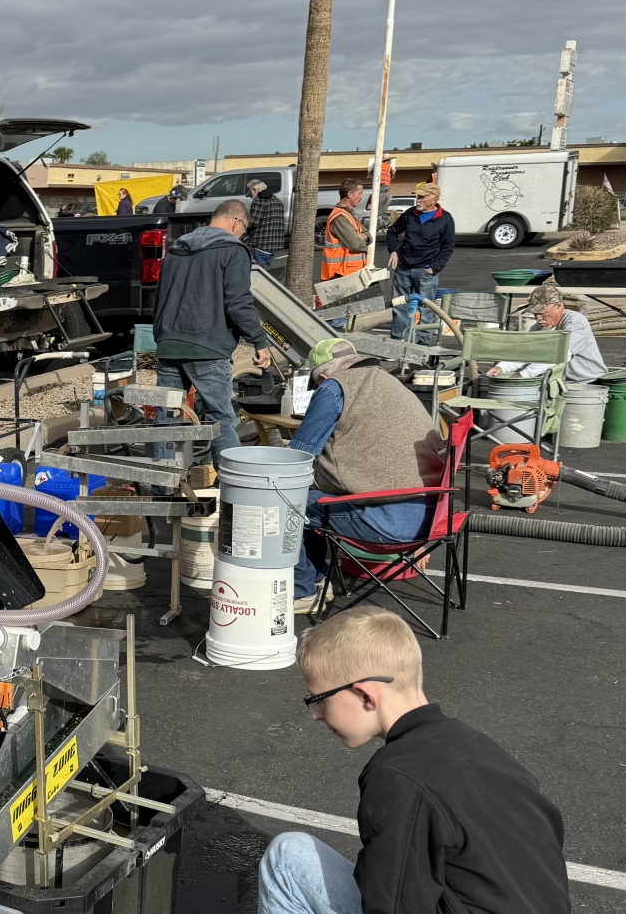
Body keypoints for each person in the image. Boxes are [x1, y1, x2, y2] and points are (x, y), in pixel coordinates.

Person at [194, 606, 578, 914]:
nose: (315, 714)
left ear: (363, 694)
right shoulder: (477, 748)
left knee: (291, 858)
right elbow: (542, 848)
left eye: (317, 699)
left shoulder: (395, 776)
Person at [287, 338, 443, 609]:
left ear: (323, 376)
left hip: (384, 522)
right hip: (431, 518)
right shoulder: (392, 383)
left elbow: (298, 456)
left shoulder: (335, 386)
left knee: (286, 503)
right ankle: (318, 579)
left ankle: (304, 592)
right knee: (312, 495)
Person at [149, 199, 272, 470]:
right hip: (207, 346)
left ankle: (162, 492)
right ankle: (236, 489)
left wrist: (161, 337)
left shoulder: (176, 250)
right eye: (245, 229)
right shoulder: (233, 250)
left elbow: (158, 299)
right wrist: (259, 341)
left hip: (169, 344)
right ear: (237, 222)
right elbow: (238, 302)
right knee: (219, 419)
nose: (243, 234)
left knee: (166, 419)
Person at [512, 281, 607, 385]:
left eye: (543, 314)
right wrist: (502, 367)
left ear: (558, 306)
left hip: (589, 383)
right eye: (535, 314)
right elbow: (527, 354)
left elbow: (561, 354)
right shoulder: (538, 328)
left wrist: (523, 375)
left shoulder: (576, 323)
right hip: (559, 382)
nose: (538, 319)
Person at [385, 180, 455, 306]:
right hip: (403, 269)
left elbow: (448, 247)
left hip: (425, 272)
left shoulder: (445, 219)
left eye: (422, 197)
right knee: (399, 307)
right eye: (418, 197)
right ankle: (401, 327)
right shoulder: (410, 214)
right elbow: (392, 232)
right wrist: (393, 251)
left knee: (426, 310)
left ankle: (425, 327)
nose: (418, 200)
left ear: (434, 200)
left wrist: (434, 268)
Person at [321, 178, 370, 283]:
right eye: (360, 193)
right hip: (341, 274)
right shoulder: (340, 217)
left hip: (350, 272)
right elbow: (356, 244)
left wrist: (364, 236)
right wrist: (361, 236)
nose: (361, 197)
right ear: (350, 194)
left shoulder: (349, 213)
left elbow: (368, 235)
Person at [244, 177, 286, 259]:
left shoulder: (259, 201)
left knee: (257, 268)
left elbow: (253, 222)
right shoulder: (277, 200)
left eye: (250, 194)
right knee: (265, 268)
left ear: (255, 190)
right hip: (275, 243)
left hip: (261, 243)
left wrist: (242, 224)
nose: (251, 197)